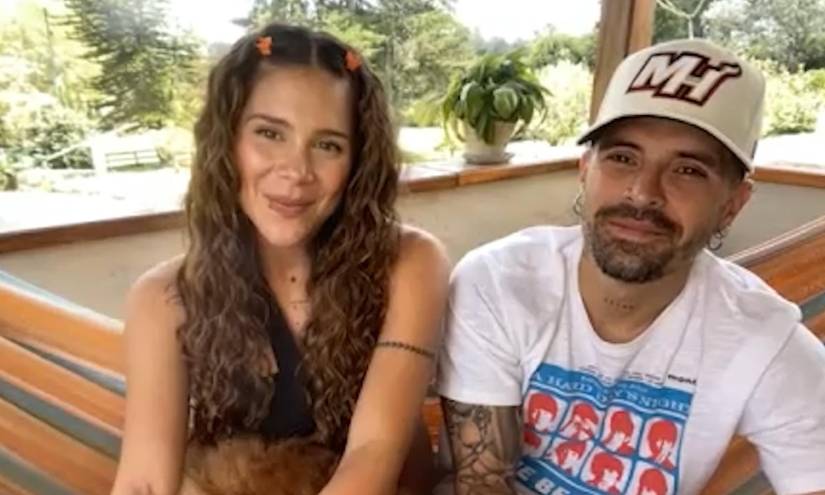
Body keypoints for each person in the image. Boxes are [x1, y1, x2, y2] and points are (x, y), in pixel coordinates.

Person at [437, 38, 825, 495]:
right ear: (586, 170)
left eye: (688, 170)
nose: (643, 193)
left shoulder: (765, 342)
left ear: (732, 205)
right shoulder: (499, 281)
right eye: (622, 158)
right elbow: (481, 483)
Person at [111, 22, 449, 495]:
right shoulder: (163, 299)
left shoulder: (409, 263)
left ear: (357, 162)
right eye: (270, 133)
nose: (296, 171)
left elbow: (373, 453)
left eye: (327, 145)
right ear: (226, 141)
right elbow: (144, 481)